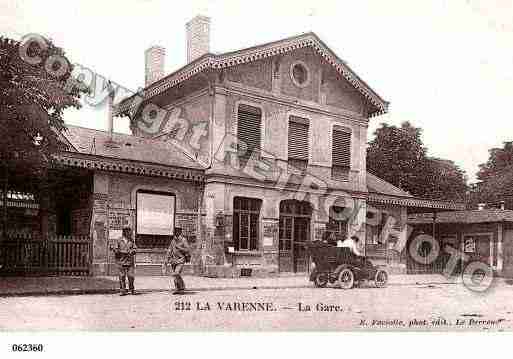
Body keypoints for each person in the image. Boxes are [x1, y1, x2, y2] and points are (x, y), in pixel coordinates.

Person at [110, 227, 137, 296]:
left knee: (131, 276)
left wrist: (132, 251)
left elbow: (135, 248)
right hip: (121, 261)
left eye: (129, 231)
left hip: (130, 261)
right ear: (124, 232)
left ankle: (131, 289)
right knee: (122, 277)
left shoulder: (131, 240)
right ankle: (123, 290)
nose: (129, 233)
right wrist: (117, 251)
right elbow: (115, 249)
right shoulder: (119, 240)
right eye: (127, 231)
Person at [165, 227, 191, 295]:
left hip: (180, 260)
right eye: (174, 232)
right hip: (173, 260)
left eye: (176, 232)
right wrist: (166, 260)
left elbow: (187, 249)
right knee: (175, 275)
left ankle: (182, 286)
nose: (175, 233)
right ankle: (177, 289)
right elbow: (169, 250)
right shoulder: (173, 241)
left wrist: (179, 247)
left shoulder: (183, 240)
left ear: (179, 232)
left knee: (176, 273)